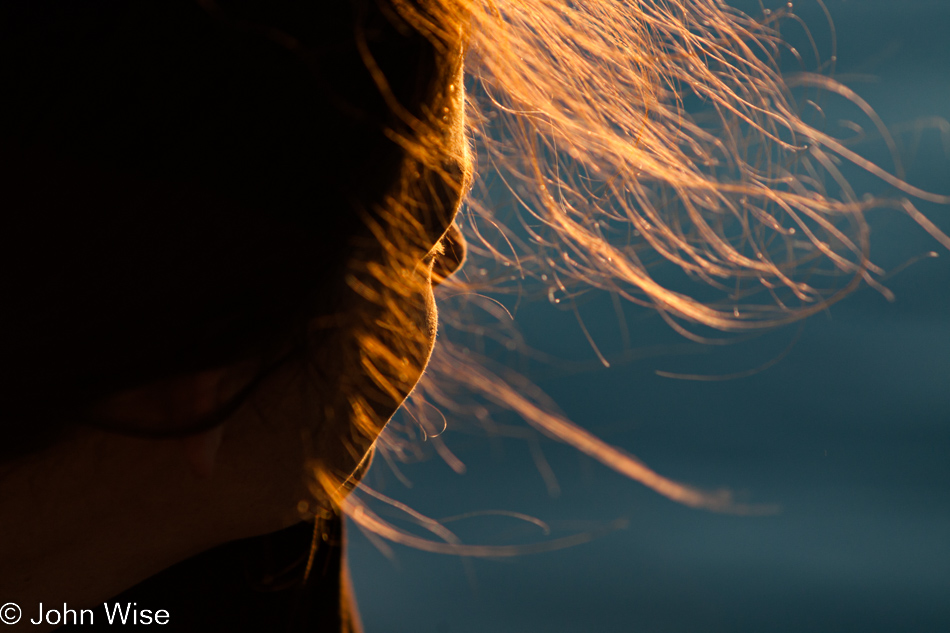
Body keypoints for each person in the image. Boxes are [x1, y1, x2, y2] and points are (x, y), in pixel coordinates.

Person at [0, 0, 945, 631]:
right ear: (194, 354)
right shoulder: (231, 511)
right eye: (429, 228)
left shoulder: (234, 542)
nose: (455, 263)